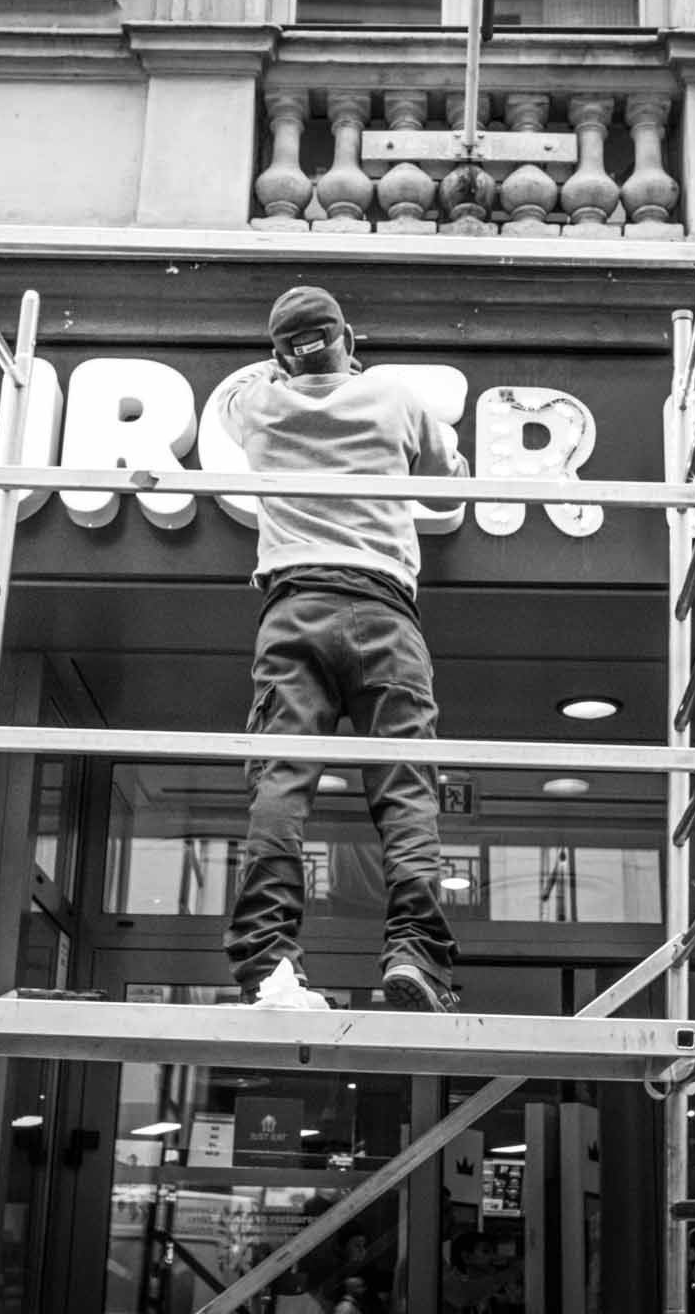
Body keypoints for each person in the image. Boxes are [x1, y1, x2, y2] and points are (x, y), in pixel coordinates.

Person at [217, 285, 468, 1015]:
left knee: (281, 784)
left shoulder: (258, 405)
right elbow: (448, 480)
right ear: (348, 339)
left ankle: (268, 963)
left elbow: (234, 390)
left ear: (278, 356)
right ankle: (416, 954)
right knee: (405, 789)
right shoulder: (392, 396)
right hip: (385, 611)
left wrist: (284, 371)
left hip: (294, 608)